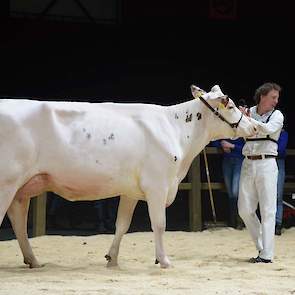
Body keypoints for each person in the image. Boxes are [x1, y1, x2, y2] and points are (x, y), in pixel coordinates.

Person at [238, 82, 284, 263]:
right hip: (248, 163)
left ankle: (266, 255)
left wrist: (249, 120)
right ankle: (262, 247)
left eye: (277, 98)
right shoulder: (249, 111)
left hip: (267, 163)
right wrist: (240, 118)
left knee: (268, 210)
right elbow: (237, 132)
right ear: (263, 96)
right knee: (244, 209)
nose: (276, 101)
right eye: (273, 97)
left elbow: (269, 129)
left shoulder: (277, 115)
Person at [210, 138, 245, 229]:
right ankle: (232, 220)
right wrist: (222, 144)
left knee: (235, 191)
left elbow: (247, 147)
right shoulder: (225, 130)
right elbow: (214, 140)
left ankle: (239, 220)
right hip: (227, 160)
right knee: (230, 192)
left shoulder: (242, 129)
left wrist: (233, 146)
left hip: (239, 160)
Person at [275, 129, 288, 235]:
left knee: (278, 196)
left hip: (278, 163)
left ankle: (278, 223)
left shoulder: (283, 134)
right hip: (267, 162)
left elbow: (281, 149)